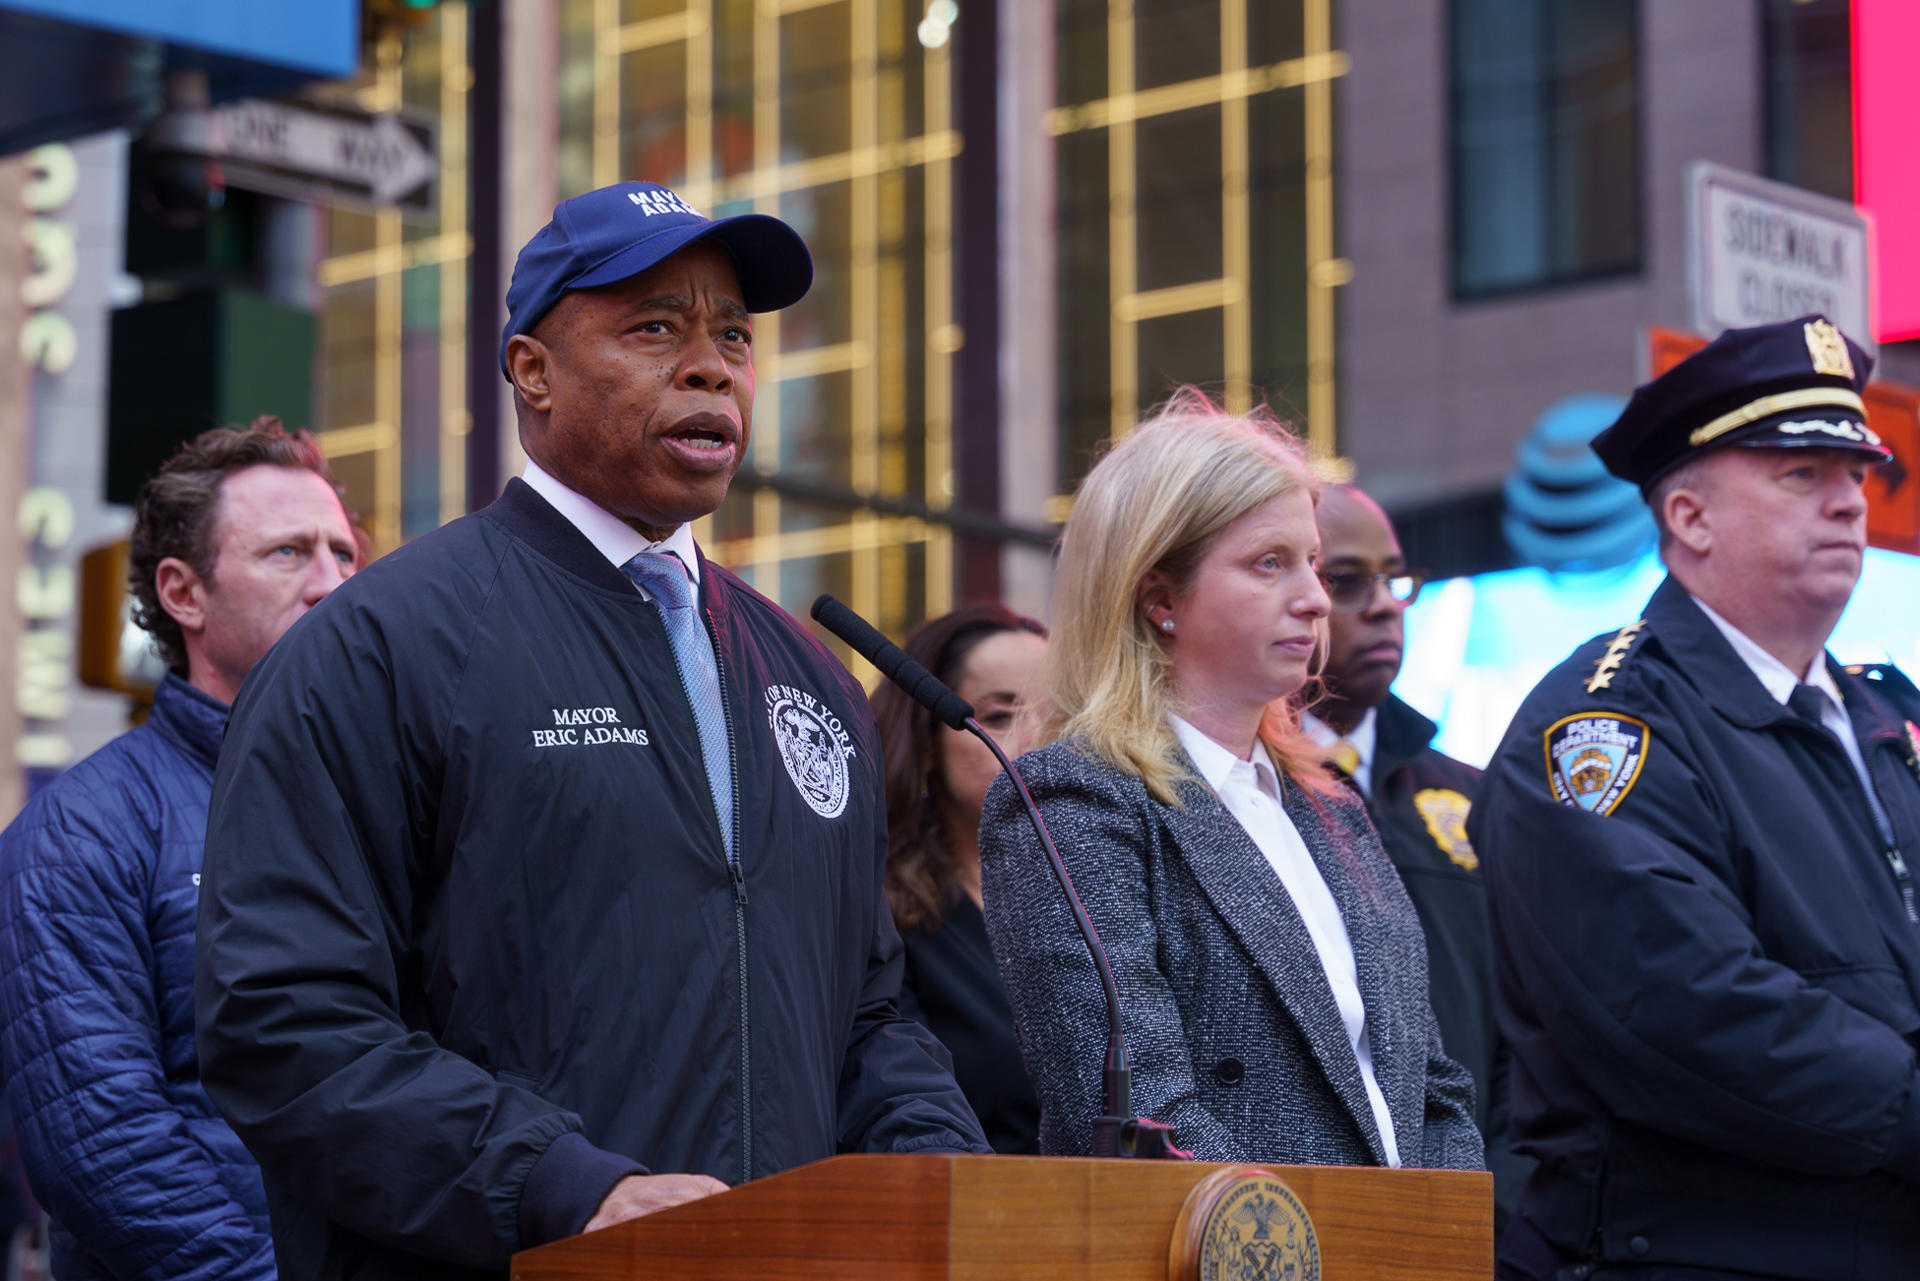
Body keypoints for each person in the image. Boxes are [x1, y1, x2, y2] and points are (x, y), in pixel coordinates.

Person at [194, 181, 988, 1281]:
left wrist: (937, 1173)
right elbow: (284, 1022)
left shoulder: (809, 677)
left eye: (734, 337)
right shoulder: (380, 645)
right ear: (532, 369)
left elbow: (867, 1016)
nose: (712, 366)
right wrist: (571, 1188)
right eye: (655, 327)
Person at [1470, 315, 1920, 1280]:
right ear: (1689, 518)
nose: (1849, 504)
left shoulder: (1882, 713)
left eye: (1857, 473)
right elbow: (1687, 1010)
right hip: (1698, 1252)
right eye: (1801, 475)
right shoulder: (1601, 726)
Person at [979, 389, 1483, 1170]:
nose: (1315, 598)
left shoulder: (1334, 806)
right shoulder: (1073, 801)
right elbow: (1141, 1121)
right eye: (1269, 563)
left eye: (1310, 560)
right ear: (1159, 598)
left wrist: (1442, 1241)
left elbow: (1432, 1087)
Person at [0, 420, 358, 1281]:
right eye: (288, 553)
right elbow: (103, 1144)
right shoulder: (80, 833)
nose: (332, 584)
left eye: (345, 555)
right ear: (183, 593)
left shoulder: (397, 802)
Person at [1300, 483, 1529, 1222]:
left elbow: (1530, 1025)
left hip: (1484, 1209)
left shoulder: (1473, 795)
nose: (1385, 605)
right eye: (1345, 581)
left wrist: (1505, 1206)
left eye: (1396, 579)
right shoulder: (1239, 800)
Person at [872, 604, 1048, 1154]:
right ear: (925, 743)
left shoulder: (1103, 898)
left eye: (1059, 715)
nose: (1038, 742)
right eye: (999, 717)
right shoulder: (881, 915)